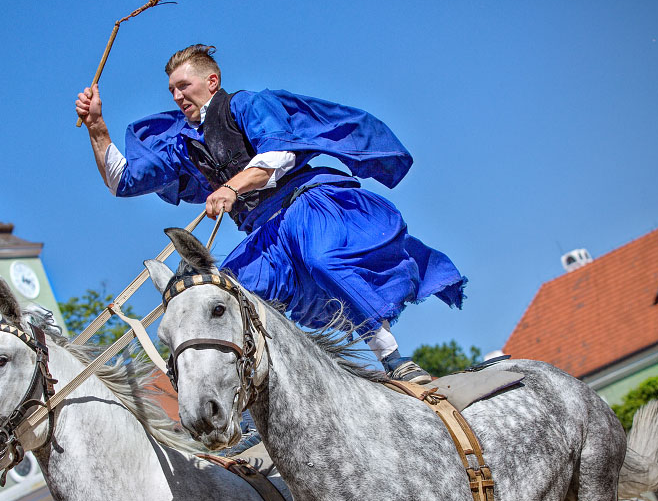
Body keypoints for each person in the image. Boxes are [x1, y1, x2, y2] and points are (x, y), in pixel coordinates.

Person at [75, 44, 466, 386]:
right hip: (265, 230)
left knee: (322, 259)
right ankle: (247, 400)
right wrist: (97, 128)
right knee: (226, 294)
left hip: (307, 203)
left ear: (212, 81)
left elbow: (278, 157)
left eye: (184, 86)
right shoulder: (184, 141)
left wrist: (230, 187)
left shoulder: (248, 104)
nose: (177, 96)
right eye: (172, 90)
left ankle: (394, 359)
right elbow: (122, 180)